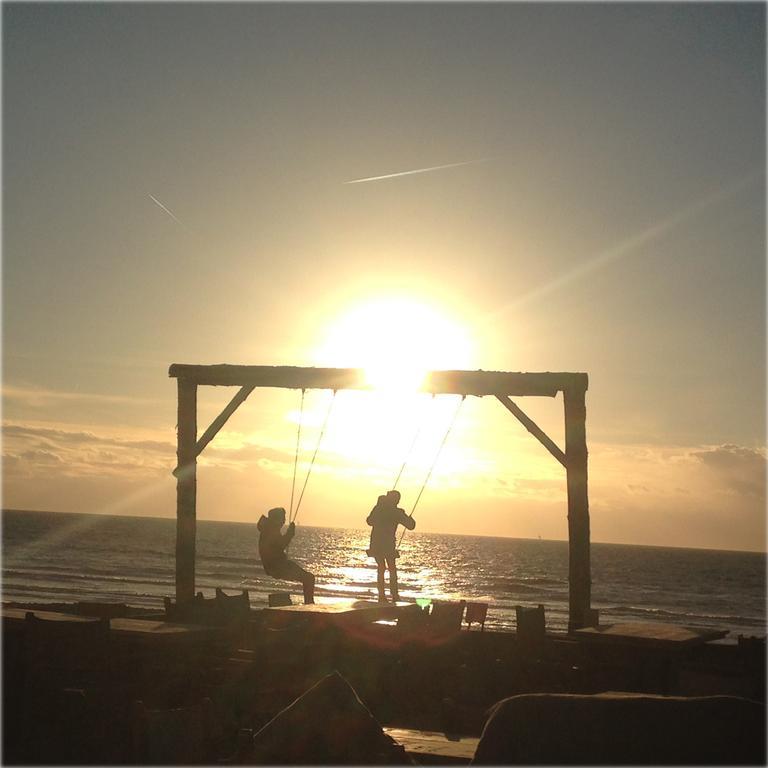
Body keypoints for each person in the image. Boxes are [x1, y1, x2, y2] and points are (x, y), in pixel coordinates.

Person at [257, 507, 315, 603]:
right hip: (278, 566)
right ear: (276, 519)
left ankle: (309, 603)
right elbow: (280, 545)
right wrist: (290, 533)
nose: (283, 521)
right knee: (309, 578)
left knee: (308, 578)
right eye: (282, 518)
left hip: (275, 566)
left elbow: (277, 545)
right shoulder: (270, 530)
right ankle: (309, 604)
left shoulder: (268, 529)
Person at [366, 490, 415, 603]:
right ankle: (394, 595)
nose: (398, 501)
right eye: (397, 499)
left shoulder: (378, 508)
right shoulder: (396, 512)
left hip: (375, 543)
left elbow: (369, 521)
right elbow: (411, 526)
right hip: (387, 544)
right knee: (392, 569)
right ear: (395, 500)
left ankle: (382, 596)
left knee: (381, 568)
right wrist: (410, 518)